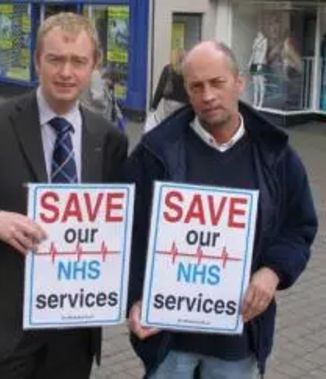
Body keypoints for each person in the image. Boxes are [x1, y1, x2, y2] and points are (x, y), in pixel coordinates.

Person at [0, 13, 128, 379]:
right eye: (55, 59)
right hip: (2, 318)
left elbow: (118, 223)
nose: (66, 72)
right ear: (38, 60)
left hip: (72, 326)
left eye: (78, 61)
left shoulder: (109, 138)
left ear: (94, 66)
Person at [127, 40, 317, 379]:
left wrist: (273, 271)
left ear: (239, 82)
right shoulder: (155, 154)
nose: (208, 95)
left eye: (217, 83)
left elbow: (299, 227)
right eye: (196, 86)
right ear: (186, 90)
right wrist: (134, 299)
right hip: (168, 339)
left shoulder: (277, 157)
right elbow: (129, 231)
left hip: (237, 342)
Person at [145, 48, 189, 133]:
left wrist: (154, 105)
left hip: (169, 104)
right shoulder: (188, 70)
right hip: (185, 104)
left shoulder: (168, 69)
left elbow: (160, 88)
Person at [248, 31, 268, 108]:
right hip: (254, 62)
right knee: (255, 83)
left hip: (260, 63)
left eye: (260, 32)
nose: (258, 33)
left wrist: (260, 63)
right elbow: (253, 52)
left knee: (260, 83)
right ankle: (255, 101)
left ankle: (261, 102)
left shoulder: (264, 40)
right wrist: (250, 61)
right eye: (258, 32)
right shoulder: (255, 40)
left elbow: (264, 51)